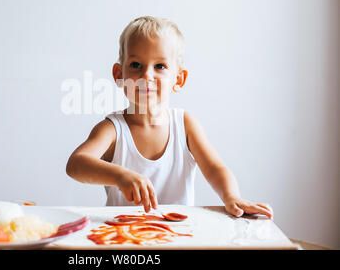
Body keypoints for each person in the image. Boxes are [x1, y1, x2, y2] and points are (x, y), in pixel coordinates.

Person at [66, 16, 273, 219]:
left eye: (160, 66)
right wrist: (120, 176)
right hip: (123, 239)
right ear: (119, 75)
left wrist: (231, 196)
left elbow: (215, 168)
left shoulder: (185, 125)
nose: (147, 75)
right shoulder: (112, 129)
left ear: (179, 79)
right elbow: (76, 164)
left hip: (177, 237)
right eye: (136, 65)